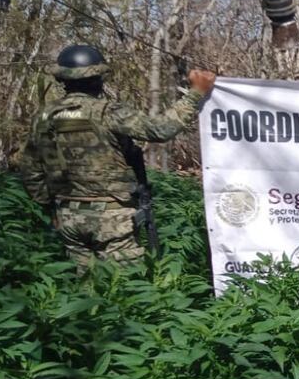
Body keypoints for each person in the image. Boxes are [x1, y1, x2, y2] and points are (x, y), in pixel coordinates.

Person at [19, 44, 216, 266]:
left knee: (85, 289)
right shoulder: (108, 112)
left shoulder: (44, 117)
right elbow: (160, 129)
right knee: (123, 289)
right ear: (98, 79)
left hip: (68, 215)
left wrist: (51, 208)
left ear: (63, 79)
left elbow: (30, 171)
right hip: (112, 217)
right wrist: (195, 94)